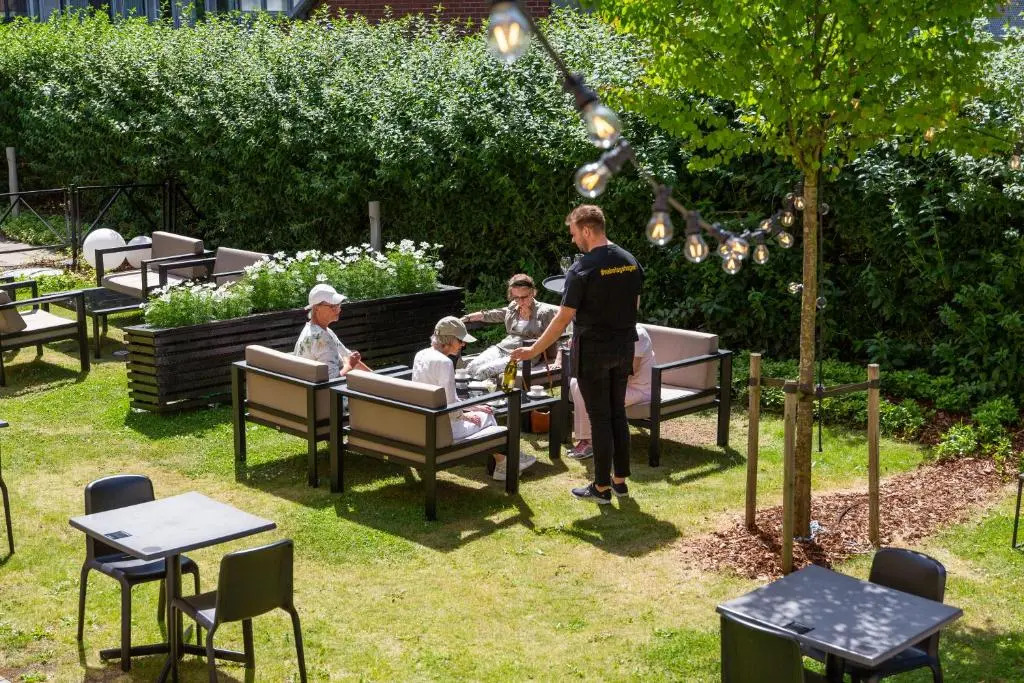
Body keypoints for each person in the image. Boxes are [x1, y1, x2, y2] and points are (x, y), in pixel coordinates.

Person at [511, 204, 643, 504]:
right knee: (617, 412)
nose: (573, 240)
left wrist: (533, 349)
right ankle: (619, 481)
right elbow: (633, 305)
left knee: (600, 418)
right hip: (624, 346)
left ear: (586, 230)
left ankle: (601, 488)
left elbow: (562, 319)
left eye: (573, 234)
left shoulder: (582, 269)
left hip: (594, 352)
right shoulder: (629, 261)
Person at [412, 316, 537, 481]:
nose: (463, 345)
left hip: (424, 423)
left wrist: (471, 408)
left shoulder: (421, 355)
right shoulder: (445, 363)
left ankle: (505, 462)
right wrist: (465, 415)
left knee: (482, 410)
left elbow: (441, 398)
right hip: (443, 430)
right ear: (448, 340)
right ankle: (506, 463)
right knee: (489, 415)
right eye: (460, 340)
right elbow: (450, 405)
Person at [567, 323, 654, 459]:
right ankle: (586, 439)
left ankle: (592, 442)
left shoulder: (638, 334)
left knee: (591, 391)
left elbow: (630, 370)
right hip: (619, 385)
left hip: (639, 389)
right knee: (577, 382)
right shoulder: (608, 331)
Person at [461, 274, 569, 380]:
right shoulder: (513, 307)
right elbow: (496, 314)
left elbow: (562, 335)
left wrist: (559, 361)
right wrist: (468, 317)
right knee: (471, 367)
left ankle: (479, 391)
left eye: (524, 297)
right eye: (516, 297)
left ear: (533, 293)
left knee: (484, 371)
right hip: (503, 348)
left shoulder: (545, 312)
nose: (520, 301)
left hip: (526, 354)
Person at [294, 284, 372, 378]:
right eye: (332, 306)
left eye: (338, 305)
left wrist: (377, 376)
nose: (338, 310)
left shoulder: (318, 331)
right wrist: (350, 365)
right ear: (317, 308)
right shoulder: (321, 338)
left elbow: (349, 357)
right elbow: (333, 381)